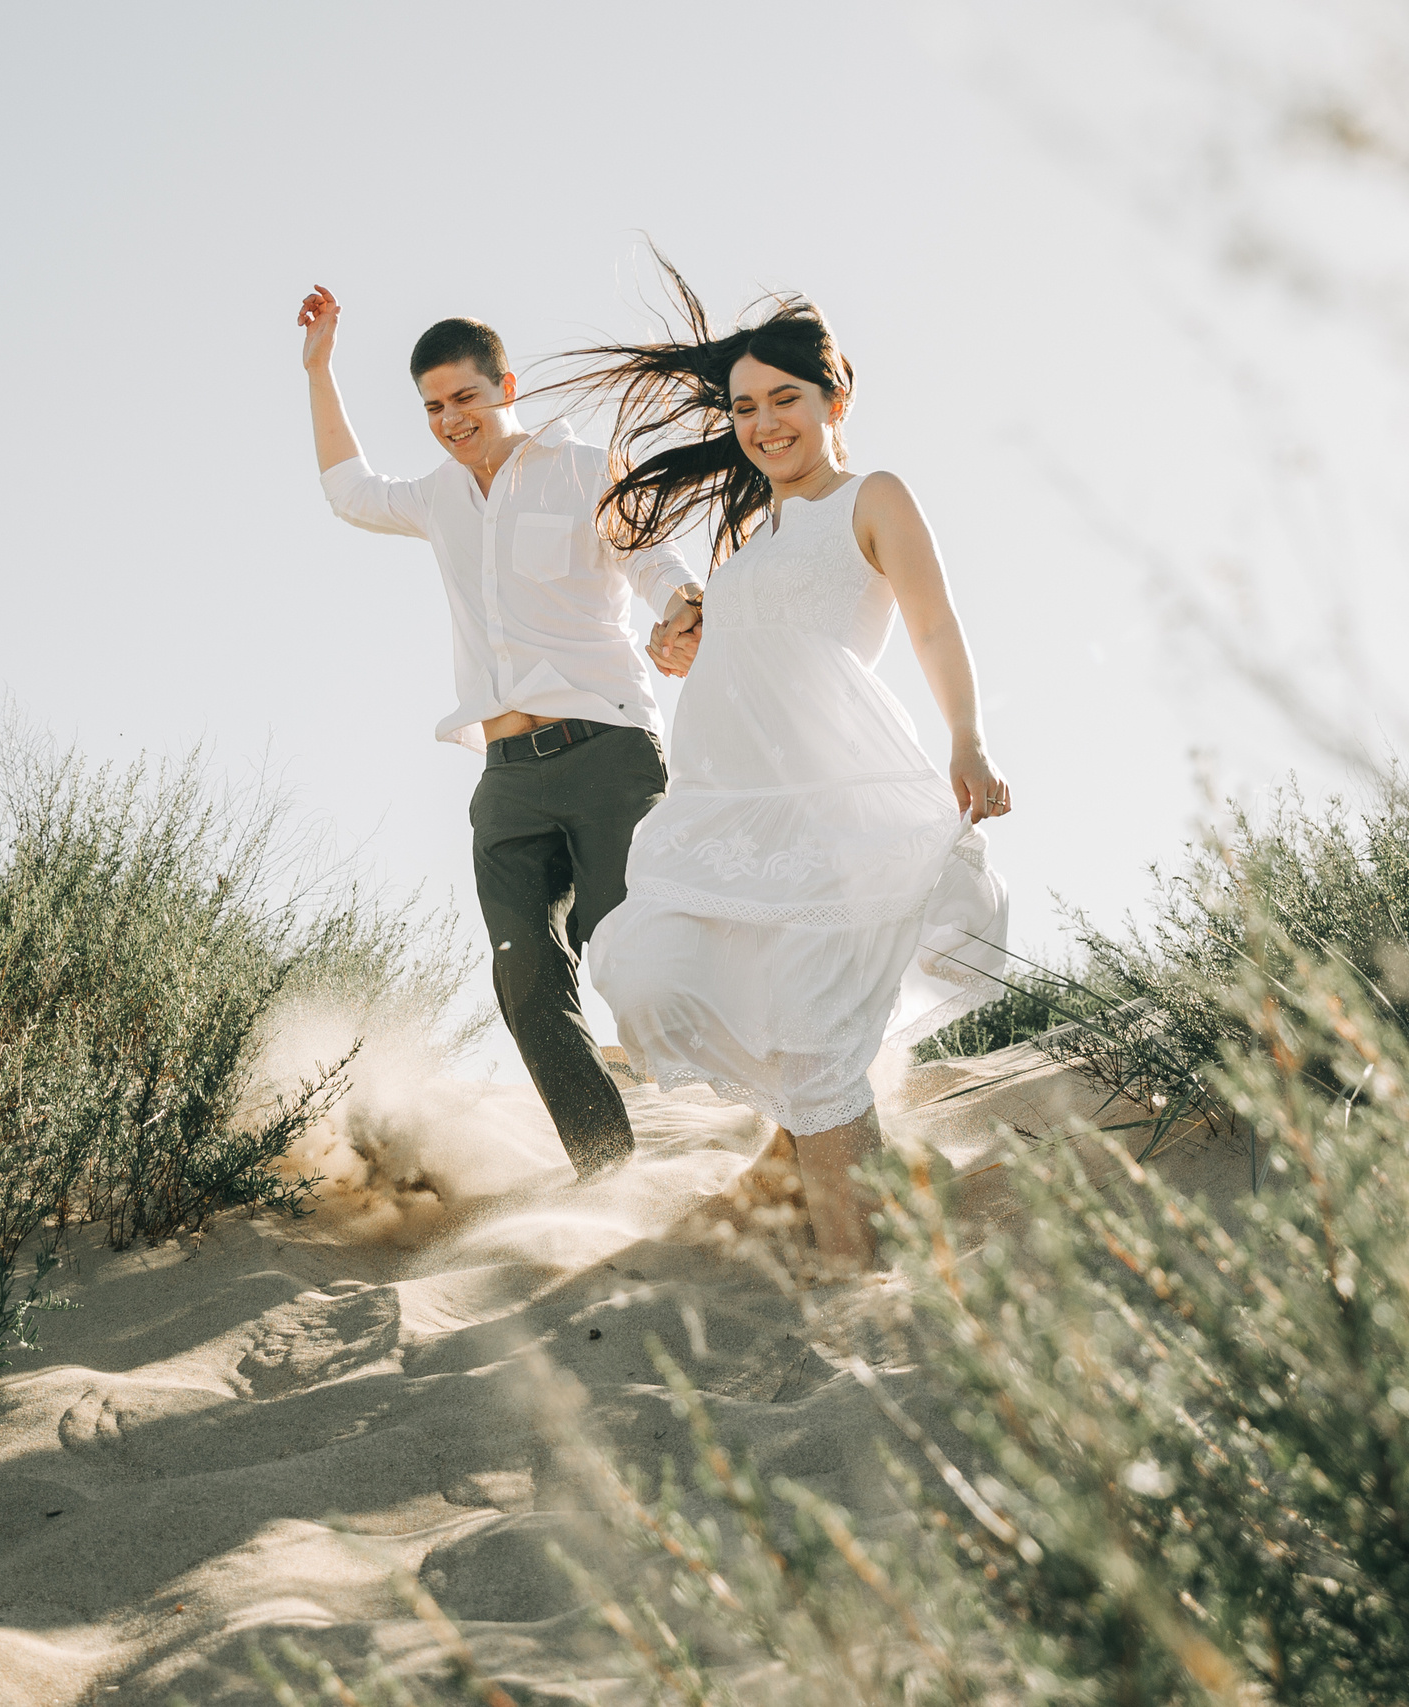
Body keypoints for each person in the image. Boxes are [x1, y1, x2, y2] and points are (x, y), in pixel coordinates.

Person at [569, 263, 1012, 1273]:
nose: (765, 424)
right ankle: (802, 1177)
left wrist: (967, 740)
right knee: (644, 968)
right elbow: (729, 656)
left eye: (785, 401)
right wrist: (688, 635)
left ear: (833, 401)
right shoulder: (748, 537)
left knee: (816, 1052)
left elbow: (935, 623)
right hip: (736, 821)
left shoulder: (871, 496)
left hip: (838, 811)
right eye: (746, 408)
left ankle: (854, 1276)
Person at [298, 285, 705, 1179]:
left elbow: (651, 556)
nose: (450, 420)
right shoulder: (439, 497)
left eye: (464, 399)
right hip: (508, 777)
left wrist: (681, 605)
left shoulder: (582, 467)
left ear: (504, 385)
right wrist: (321, 370)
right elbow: (349, 492)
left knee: (634, 947)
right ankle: (609, 1172)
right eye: (433, 407)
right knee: (524, 978)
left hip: (608, 749)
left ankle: (778, 1101)